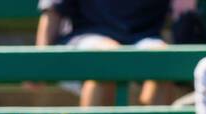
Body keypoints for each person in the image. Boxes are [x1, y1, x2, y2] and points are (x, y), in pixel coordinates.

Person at [35, 0, 174, 106]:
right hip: (86, 35)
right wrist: (39, 62)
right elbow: (52, 11)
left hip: (143, 37)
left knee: (161, 58)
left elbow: (182, 11)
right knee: (108, 58)